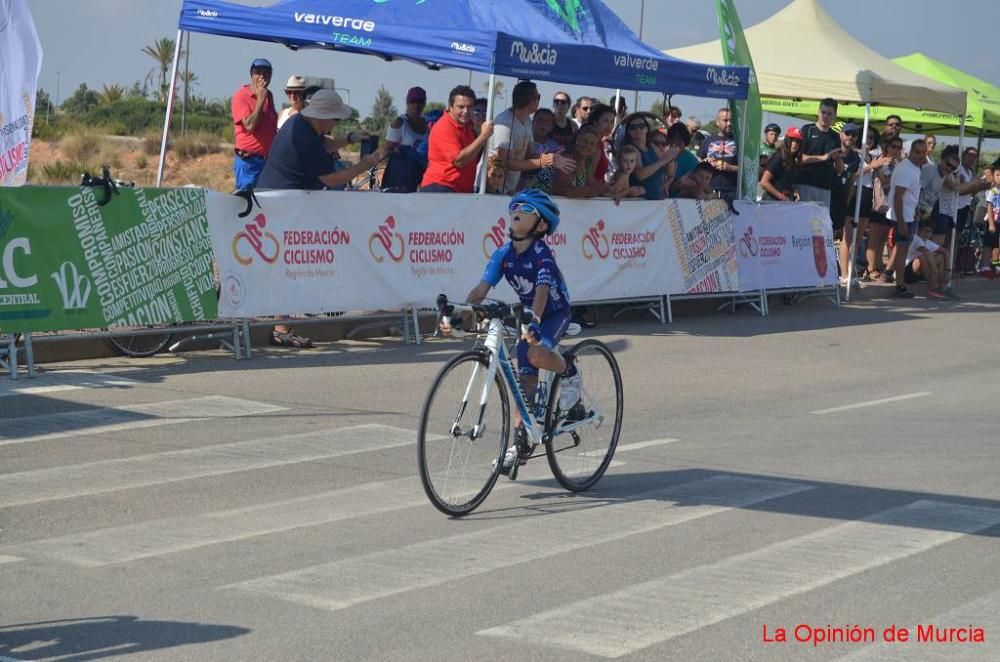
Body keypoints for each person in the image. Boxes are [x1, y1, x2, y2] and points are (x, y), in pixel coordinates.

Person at [439, 189, 581, 475]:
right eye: (515, 206)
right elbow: (481, 290)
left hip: (553, 312)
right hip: (527, 313)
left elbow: (542, 290)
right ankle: (520, 442)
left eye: (526, 209)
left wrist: (535, 320)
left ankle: (569, 374)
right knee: (523, 382)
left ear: (541, 225)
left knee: (537, 355)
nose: (517, 210)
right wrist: (459, 317)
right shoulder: (503, 254)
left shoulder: (542, 254)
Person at [489, 80, 573, 194]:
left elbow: (530, 154)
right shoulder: (505, 124)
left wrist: (552, 159)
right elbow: (504, 162)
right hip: (491, 188)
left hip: (508, 189)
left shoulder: (527, 120)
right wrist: (542, 162)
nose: (539, 101)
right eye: (538, 97)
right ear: (532, 101)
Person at [419, 85, 493, 193]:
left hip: (461, 191)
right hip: (441, 188)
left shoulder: (468, 127)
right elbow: (459, 161)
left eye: (470, 107)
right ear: (450, 106)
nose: (466, 111)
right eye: (461, 107)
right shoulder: (444, 127)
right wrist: (483, 137)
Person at [886, 137, 929, 298]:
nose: (920, 155)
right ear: (911, 151)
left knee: (901, 248)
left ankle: (889, 273)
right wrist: (902, 221)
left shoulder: (916, 168)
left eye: (923, 152)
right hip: (902, 216)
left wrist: (916, 207)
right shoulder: (906, 169)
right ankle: (899, 285)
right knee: (902, 250)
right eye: (917, 152)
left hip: (909, 213)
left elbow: (912, 193)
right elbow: (898, 197)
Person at [231, 58, 278, 190]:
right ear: (251, 74)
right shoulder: (241, 96)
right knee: (247, 201)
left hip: (266, 162)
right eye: (258, 72)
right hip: (249, 162)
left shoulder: (269, 95)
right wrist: (260, 100)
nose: (262, 76)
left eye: (266, 72)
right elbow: (250, 126)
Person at [796, 98, 843, 209]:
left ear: (834, 116)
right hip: (805, 184)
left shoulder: (835, 136)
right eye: (823, 112)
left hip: (825, 187)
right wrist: (823, 158)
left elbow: (839, 170)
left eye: (829, 113)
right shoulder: (807, 130)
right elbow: (798, 158)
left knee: (818, 224)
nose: (825, 116)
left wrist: (837, 159)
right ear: (818, 112)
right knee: (803, 221)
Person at [830, 123, 862, 283]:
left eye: (854, 134)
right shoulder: (833, 150)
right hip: (828, 196)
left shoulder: (855, 157)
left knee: (836, 235)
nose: (850, 137)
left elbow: (851, 181)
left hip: (842, 200)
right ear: (841, 134)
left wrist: (847, 202)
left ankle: (837, 273)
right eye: (848, 133)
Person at [623, 114, 680, 201]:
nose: (638, 129)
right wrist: (664, 160)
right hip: (638, 202)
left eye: (641, 126)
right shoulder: (630, 149)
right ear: (629, 132)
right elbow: (640, 175)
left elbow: (669, 172)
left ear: (647, 129)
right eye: (633, 127)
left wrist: (670, 157)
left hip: (655, 202)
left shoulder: (653, 147)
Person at [552, 125, 608, 199]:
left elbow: (594, 185)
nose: (587, 146)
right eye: (585, 141)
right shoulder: (567, 158)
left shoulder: (586, 164)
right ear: (577, 140)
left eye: (592, 144)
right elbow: (565, 191)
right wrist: (592, 191)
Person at [697, 107, 739, 198]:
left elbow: (746, 169)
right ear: (717, 122)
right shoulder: (708, 140)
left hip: (732, 190)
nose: (729, 124)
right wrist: (705, 162)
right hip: (709, 190)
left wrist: (731, 167)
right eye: (725, 120)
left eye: (731, 120)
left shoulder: (739, 142)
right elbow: (697, 161)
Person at [904, 221, 952, 299]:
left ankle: (943, 287)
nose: (925, 233)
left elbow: (945, 252)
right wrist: (935, 272)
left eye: (928, 231)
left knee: (940, 257)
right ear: (919, 230)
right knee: (922, 257)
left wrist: (948, 271)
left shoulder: (928, 242)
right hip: (907, 272)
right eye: (923, 230)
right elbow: (926, 252)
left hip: (922, 272)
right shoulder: (916, 238)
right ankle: (933, 288)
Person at [759, 127, 802, 201]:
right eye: (792, 141)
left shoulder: (793, 160)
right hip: (771, 201)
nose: (794, 144)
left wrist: (795, 191)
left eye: (797, 142)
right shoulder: (778, 157)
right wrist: (782, 197)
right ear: (787, 141)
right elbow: (764, 182)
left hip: (783, 203)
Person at [384, 86, 429, 152]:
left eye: (420, 101)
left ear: (424, 103)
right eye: (412, 101)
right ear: (407, 102)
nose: (416, 104)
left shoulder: (428, 124)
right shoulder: (399, 123)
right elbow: (387, 150)